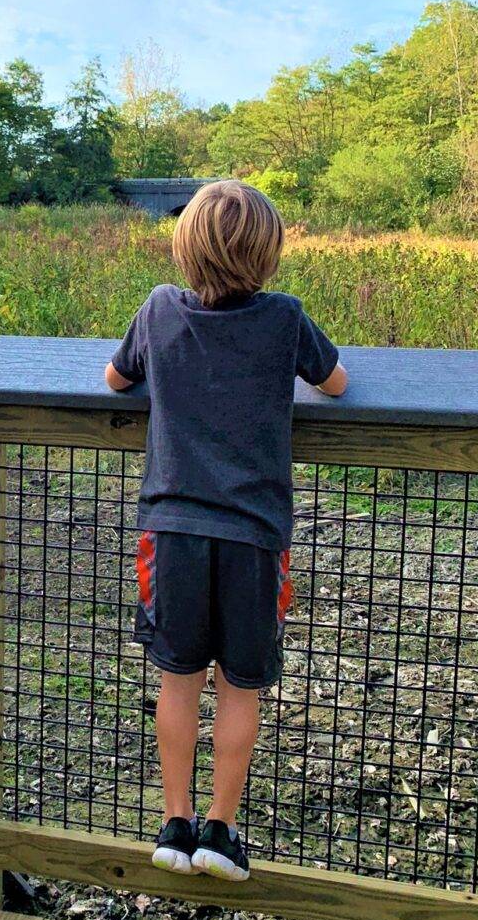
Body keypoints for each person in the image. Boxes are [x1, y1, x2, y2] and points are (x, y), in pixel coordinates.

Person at [105, 180, 347, 882]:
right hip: (254, 538)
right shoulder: (284, 319)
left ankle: (173, 822)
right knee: (241, 686)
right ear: (268, 256)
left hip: (171, 532)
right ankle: (222, 829)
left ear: (185, 250)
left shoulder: (157, 310)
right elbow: (334, 382)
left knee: (177, 681)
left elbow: (117, 378)